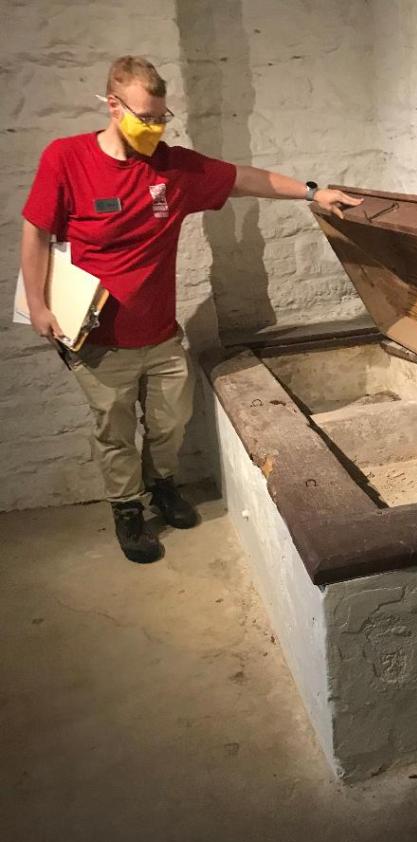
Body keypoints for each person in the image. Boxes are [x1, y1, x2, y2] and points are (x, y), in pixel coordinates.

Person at [20, 55, 361, 564]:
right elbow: (36, 233)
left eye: (162, 118)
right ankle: (128, 510)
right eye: (144, 118)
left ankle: (161, 485)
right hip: (96, 339)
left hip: (159, 334)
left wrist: (313, 192)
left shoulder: (173, 168)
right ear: (113, 106)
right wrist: (37, 303)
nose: (154, 128)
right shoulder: (66, 158)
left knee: (170, 423)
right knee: (115, 431)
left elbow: (244, 179)